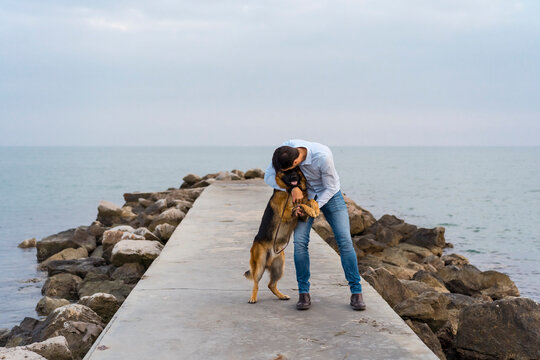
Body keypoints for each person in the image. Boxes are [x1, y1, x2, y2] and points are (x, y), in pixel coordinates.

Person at [264, 139, 366, 311]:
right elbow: (268, 177)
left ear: (296, 162)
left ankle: (356, 292)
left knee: (345, 241)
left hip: (330, 196)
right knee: (299, 244)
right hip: (303, 197)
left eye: (289, 169)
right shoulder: (284, 152)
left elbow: (331, 187)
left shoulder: (323, 156)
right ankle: (304, 293)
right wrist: (291, 188)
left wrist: (314, 205)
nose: (285, 171)